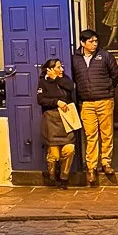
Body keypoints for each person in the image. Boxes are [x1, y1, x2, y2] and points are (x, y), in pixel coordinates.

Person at [70, 29, 118, 184]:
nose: (94, 44)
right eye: (91, 41)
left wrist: (108, 89)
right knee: (90, 136)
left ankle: (106, 163)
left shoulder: (105, 56)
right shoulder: (75, 59)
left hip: (104, 100)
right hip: (86, 103)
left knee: (106, 133)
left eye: (96, 41)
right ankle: (91, 167)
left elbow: (116, 75)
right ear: (82, 43)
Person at [36, 58, 78, 188]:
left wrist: (57, 79)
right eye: (58, 67)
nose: (62, 69)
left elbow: (71, 87)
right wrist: (56, 102)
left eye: (61, 67)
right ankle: (52, 175)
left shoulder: (64, 79)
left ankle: (64, 177)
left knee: (69, 149)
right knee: (54, 154)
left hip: (66, 120)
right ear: (50, 69)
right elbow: (41, 100)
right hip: (52, 121)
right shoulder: (43, 83)